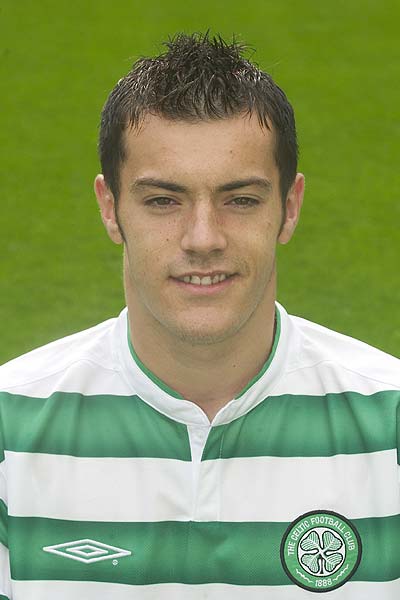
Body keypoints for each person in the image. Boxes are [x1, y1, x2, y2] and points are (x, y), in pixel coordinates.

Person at [0, 32, 398, 600]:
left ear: (289, 208)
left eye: (241, 200)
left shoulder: (390, 424)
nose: (203, 238)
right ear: (110, 208)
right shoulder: (9, 430)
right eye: (163, 200)